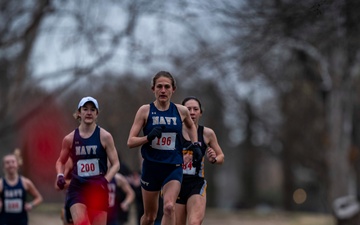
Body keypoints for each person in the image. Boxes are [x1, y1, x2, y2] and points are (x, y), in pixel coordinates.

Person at [127, 71, 200, 225]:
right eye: (159, 86)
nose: (163, 90)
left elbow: (191, 126)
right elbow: (130, 141)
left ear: (173, 90)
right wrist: (148, 137)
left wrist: (196, 144)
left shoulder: (181, 111)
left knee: (169, 207)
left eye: (167, 87)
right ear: (153, 89)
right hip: (151, 167)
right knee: (149, 217)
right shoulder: (145, 111)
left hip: (173, 167)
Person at [55, 96, 120, 225]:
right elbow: (60, 161)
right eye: (85, 109)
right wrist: (60, 175)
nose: (89, 112)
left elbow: (116, 164)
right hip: (77, 188)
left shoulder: (105, 136)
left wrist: (104, 180)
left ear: (97, 114)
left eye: (92, 109)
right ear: (79, 113)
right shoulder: (70, 138)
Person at [175, 96, 225, 225]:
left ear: (200, 113)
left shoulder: (207, 133)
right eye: (188, 109)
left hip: (196, 183)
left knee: (194, 222)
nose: (192, 112)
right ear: (182, 112)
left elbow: (221, 157)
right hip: (175, 183)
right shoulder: (174, 132)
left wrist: (214, 158)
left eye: (195, 109)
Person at [0, 153, 43, 225]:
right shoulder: (1, 184)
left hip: (21, 221)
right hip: (4, 221)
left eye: (13, 162)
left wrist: (31, 205)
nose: (10, 165)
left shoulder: (25, 182)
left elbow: (39, 198)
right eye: (7, 163)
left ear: (17, 165)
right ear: (3, 166)